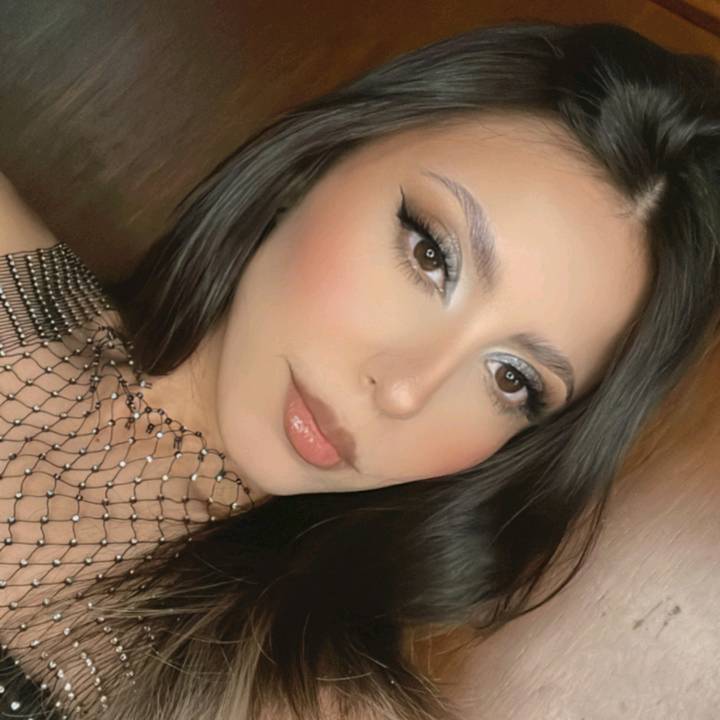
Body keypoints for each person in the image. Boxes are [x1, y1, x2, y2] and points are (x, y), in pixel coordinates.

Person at [0, 18, 718, 720]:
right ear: (317, 162)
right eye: (431, 256)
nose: (404, 390)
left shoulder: (311, 697)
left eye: (511, 379)